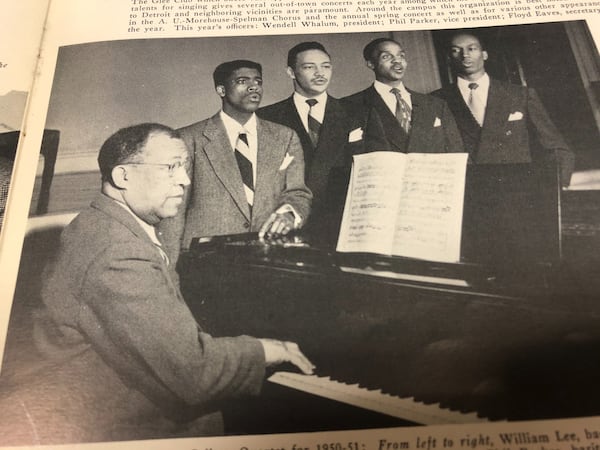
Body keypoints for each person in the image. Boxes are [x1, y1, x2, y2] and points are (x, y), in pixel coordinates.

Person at [20, 123, 314, 443]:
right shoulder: (118, 253)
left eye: (184, 167)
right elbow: (194, 372)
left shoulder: (101, 224)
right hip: (121, 424)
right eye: (171, 167)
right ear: (123, 177)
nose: (185, 180)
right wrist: (266, 349)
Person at [160, 60, 312, 266]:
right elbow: (173, 210)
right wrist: (169, 268)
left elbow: (297, 192)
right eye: (242, 81)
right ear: (221, 90)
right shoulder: (188, 138)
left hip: (269, 259)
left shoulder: (285, 137)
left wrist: (289, 214)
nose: (253, 86)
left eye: (258, 81)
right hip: (205, 261)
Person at [433, 32, 574, 185]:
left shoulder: (520, 94)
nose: (465, 55)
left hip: (517, 187)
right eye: (456, 50)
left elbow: (556, 147)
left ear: (484, 54)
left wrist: (558, 187)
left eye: (472, 49)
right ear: (448, 58)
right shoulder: (435, 101)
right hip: (468, 190)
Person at [258, 42, 363, 238]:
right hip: (290, 225)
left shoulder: (356, 112)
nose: (320, 73)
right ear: (291, 72)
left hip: (345, 224)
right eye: (309, 67)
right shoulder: (266, 117)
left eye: (326, 66)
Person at [342, 37, 464, 154]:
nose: (397, 61)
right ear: (371, 64)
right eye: (386, 57)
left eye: (401, 55)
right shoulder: (349, 106)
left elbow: (456, 152)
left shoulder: (436, 104)